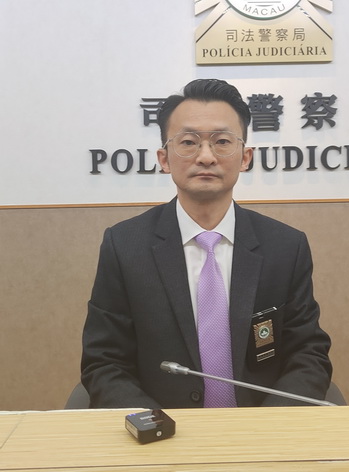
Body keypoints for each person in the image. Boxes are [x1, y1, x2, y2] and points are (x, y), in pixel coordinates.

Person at [81, 78, 332, 409]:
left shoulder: (285, 246)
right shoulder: (125, 246)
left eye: (222, 141)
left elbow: (308, 353)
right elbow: (104, 362)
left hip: (262, 429)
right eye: (188, 142)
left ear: (245, 157)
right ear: (164, 158)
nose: (206, 156)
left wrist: (269, 426)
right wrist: (156, 426)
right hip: (163, 431)